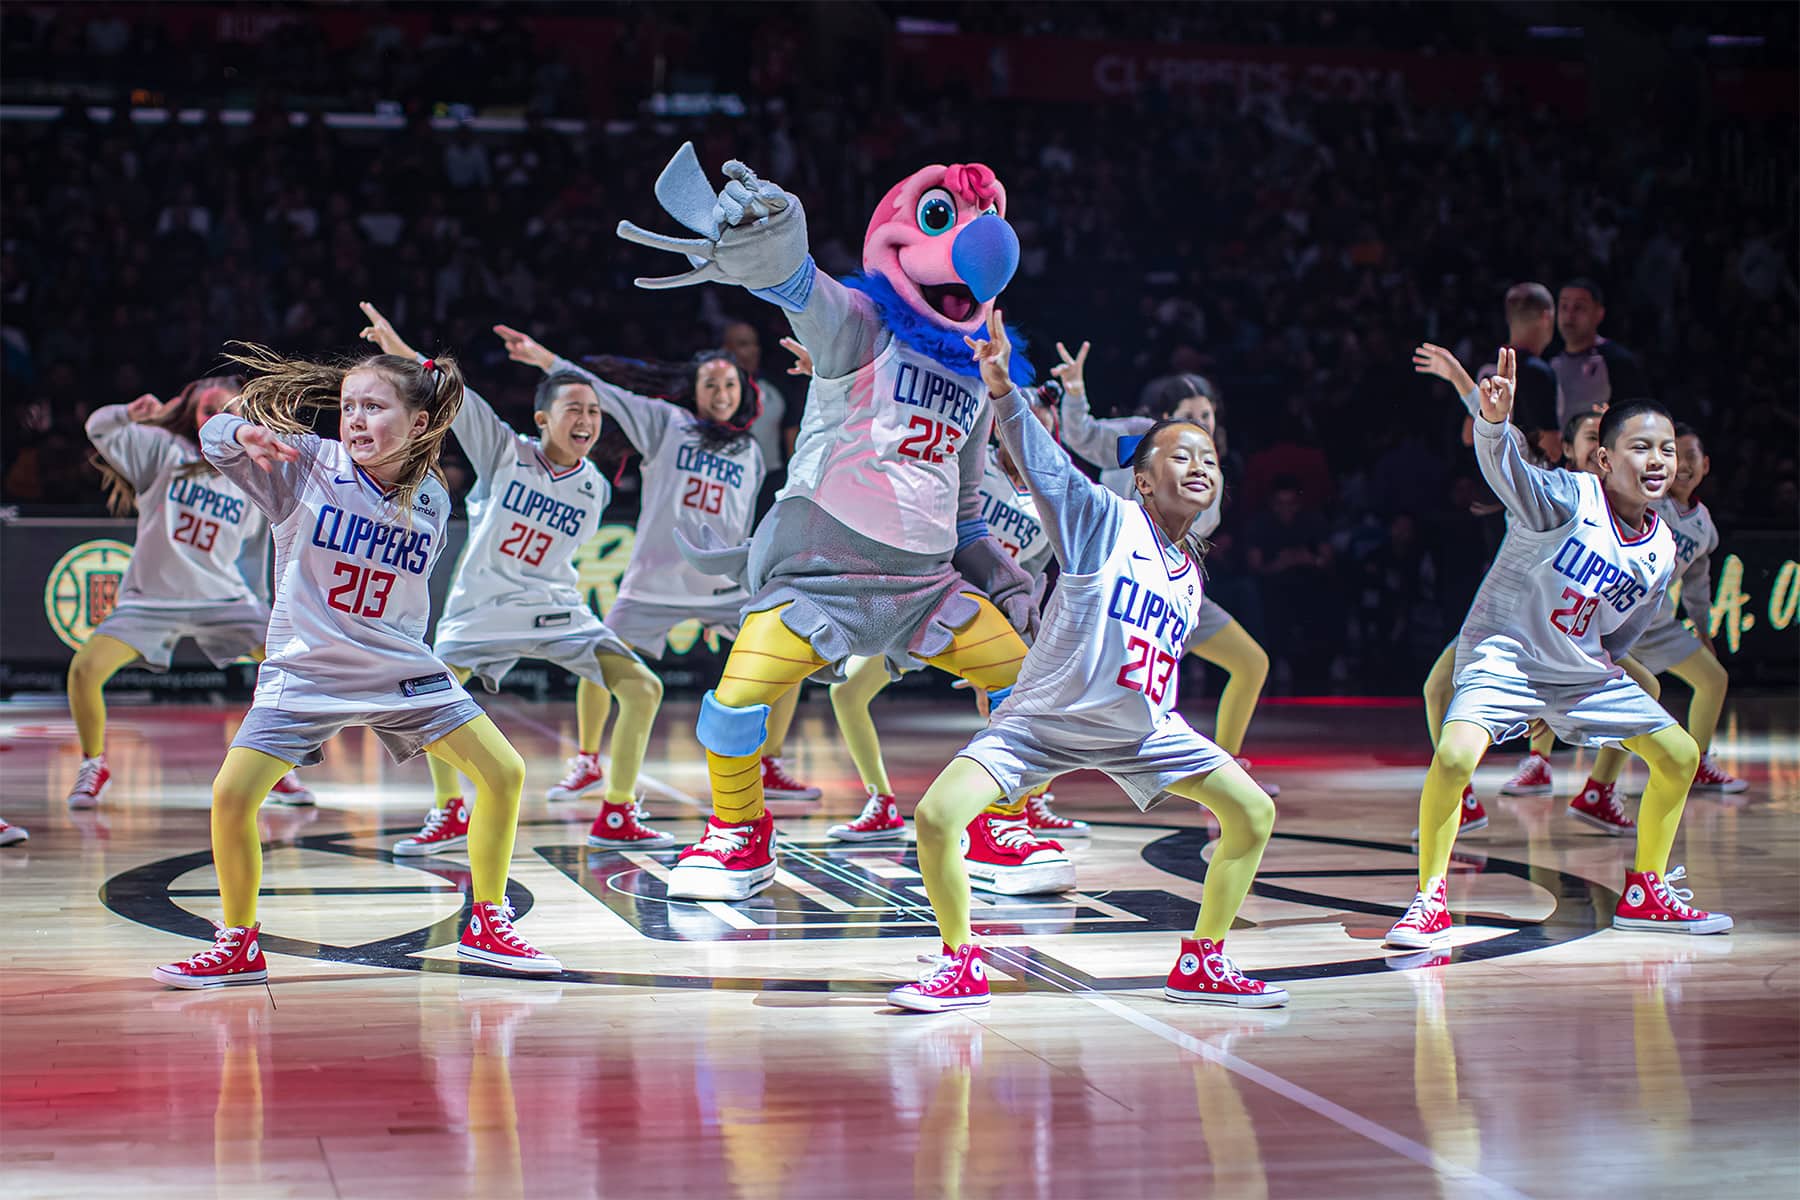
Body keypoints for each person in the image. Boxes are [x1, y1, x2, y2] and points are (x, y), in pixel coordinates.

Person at [614, 148, 1055, 902]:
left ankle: (997, 824)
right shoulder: (859, 326)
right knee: (731, 710)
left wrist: (1007, 580)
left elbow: (967, 514)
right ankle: (740, 834)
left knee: (1028, 687)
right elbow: (803, 293)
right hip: (820, 581)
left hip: (927, 587)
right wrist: (780, 256)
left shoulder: (978, 379)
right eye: (948, 219)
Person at [889, 310, 1285, 1012]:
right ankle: (959, 964)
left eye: (1210, 457)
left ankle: (1202, 962)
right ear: (1141, 481)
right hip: (1043, 723)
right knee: (937, 817)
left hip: (1140, 731)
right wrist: (1004, 393)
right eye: (1180, 453)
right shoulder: (1104, 519)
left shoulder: (1190, 573)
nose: (1200, 465)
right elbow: (1044, 464)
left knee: (1251, 813)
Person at [153, 344, 560, 988]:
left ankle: (487, 922)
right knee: (231, 796)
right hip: (308, 668)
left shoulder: (430, 495)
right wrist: (245, 430)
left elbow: (408, 593)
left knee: (505, 772)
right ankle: (237, 942)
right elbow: (212, 436)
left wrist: (413, 665)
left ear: (419, 423)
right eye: (348, 407)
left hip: (397, 666)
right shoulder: (307, 464)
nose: (355, 419)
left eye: (374, 406)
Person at [1386, 349, 1730, 951]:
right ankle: (1429, 901)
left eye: (1667, 449)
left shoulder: (1662, 549)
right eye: (1640, 447)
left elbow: (1622, 636)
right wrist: (1493, 426)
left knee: (1677, 754)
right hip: (1507, 659)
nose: (1657, 460)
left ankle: (1647, 890)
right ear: (1603, 458)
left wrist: (1599, 679)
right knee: (1454, 756)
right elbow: (1509, 471)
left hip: (1580, 670)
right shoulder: (1568, 498)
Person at [357, 304, 672, 858]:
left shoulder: (594, 486)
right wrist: (404, 351)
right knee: (427, 698)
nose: (588, 420)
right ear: (544, 419)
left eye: (595, 412)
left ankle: (618, 811)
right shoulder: (506, 450)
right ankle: (449, 810)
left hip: (555, 607)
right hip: (482, 608)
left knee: (643, 688)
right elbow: (456, 397)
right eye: (574, 408)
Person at [494, 324, 821, 805]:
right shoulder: (667, 423)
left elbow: (741, 521)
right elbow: (604, 391)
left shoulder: (750, 450)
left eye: (729, 384)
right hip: (653, 583)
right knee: (595, 661)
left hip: (722, 588)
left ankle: (768, 761)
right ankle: (586, 761)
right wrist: (545, 358)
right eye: (710, 384)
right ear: (694, 391)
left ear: (743, 391)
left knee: (791, 657)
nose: (720, 393)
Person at [70, 374, 313, 811]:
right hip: (150, 601)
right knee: (84, 671)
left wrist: (265, 610)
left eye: (227, 410)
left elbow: (257, 555)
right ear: (191, 416)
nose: (217, 417)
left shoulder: (257, 473)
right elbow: (99, 428)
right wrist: (131, 413)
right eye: (207, 410)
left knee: (294, 665)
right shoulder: (164, 451)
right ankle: (94, 763)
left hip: (224, 600)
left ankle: (273, 767)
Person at [1056, 351, 1278, 794]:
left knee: (1251, 662)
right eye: (1190, 415)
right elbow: (1080, 435)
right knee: (1062, 701)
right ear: (1164, 419)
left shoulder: (1210, 469)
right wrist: (1076, 391)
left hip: (1169, 597)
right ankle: (1019, 801)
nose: (1203, 422)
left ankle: (1226, 769)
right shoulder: (1142, 439)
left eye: (1207, 413)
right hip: (1115, 594)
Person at [1561, 423, 1746, 832]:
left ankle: (1695, 763)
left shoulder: (1703, 524)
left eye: (1691, 456)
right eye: (1676, 454)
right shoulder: (1643, 498)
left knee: (1713, 680)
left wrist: (1703, 630)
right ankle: (1584, 782)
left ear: (1704, 465)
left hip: (1657, 623)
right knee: (1641, 693)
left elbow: (1698, 584)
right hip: (1610, 618)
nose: (1683, 465)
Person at [1551, 278, 1651, 428]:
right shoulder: (1552, 363)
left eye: (1579, 307)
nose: (1569, 315)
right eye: (1564, 306)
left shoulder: (1616, 361)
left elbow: (1639, 417)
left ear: (1599, 313)